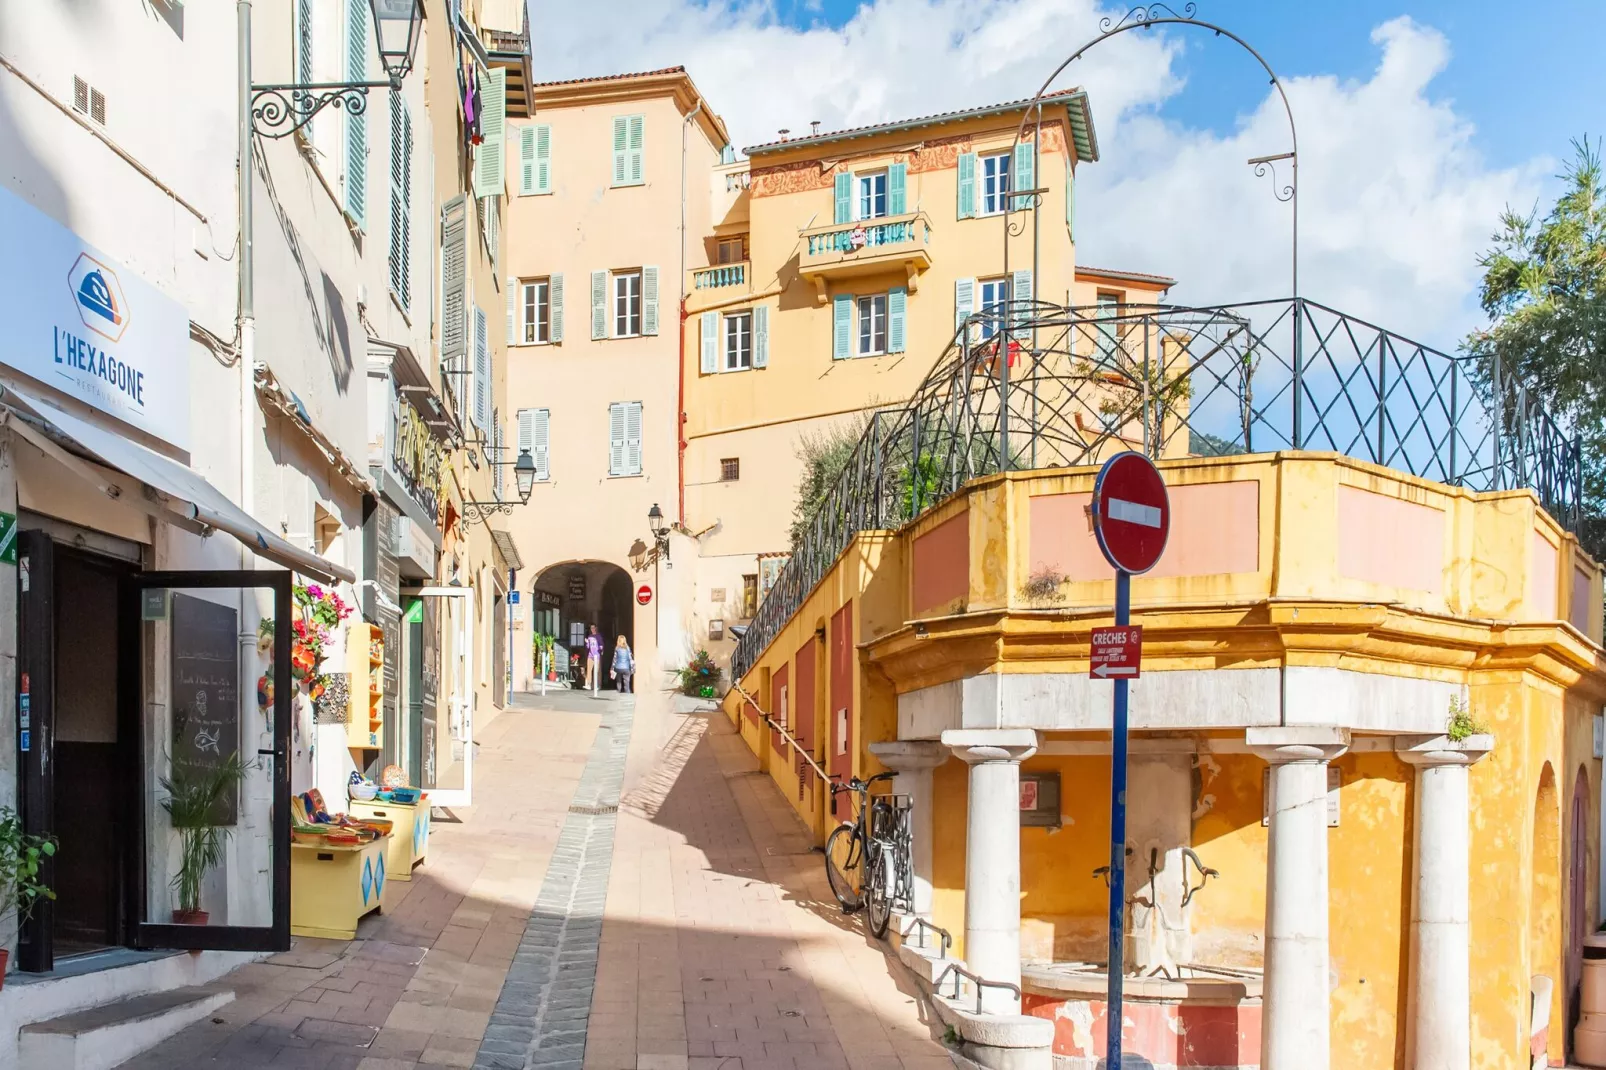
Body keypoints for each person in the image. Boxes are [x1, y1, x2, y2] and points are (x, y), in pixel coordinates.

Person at [584, 625, 602, 692]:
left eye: (593, 628)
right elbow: (588, 647)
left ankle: (597, 685)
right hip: (590, 655)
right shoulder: (589, 637)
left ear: (596, 628)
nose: (592, 629)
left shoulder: (598, 636)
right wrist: (586, 643)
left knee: (596, 671)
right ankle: (589, 684)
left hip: (596, 656)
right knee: (589, 670)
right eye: (591, 628)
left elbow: (601, 645)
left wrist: (600, 651)